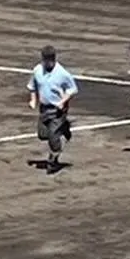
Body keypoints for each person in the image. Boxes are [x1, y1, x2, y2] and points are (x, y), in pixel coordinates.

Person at [27, 45, 77, 175]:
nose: (46, 63)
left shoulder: (62, 74)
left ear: (53, 60)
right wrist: (33, 100)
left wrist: (62, 101)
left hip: (57, 110)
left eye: (48, 61)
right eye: (44, 60)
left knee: (53, 136)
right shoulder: (38, 70)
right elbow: (32, 86)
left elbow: (73, 90)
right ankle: (64, 127)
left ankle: (53, 160)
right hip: (44, 109)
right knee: (42, 134)